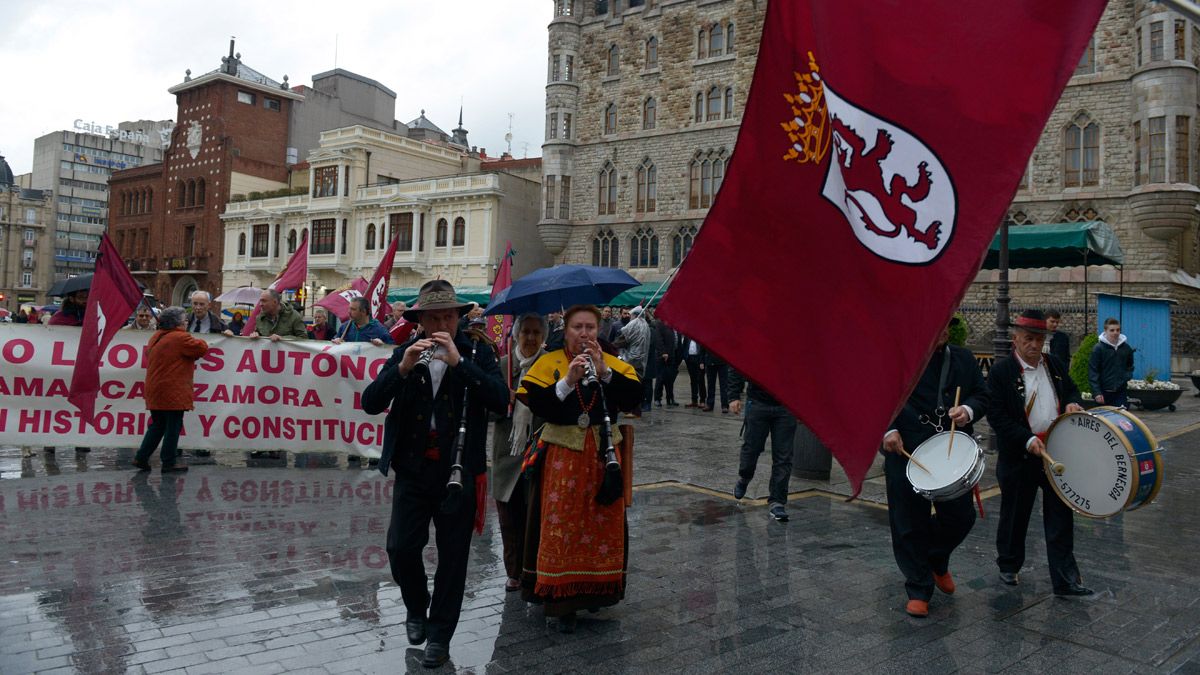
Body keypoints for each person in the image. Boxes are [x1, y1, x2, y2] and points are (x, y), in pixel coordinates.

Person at [361, 280, 508, 669]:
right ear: (422, 321)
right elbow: (371, 403)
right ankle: (415, 605)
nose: (444, 322)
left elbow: (500, 400)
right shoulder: (406, 353)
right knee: (400, 548)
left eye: (450, 315)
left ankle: (440, 635)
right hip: (413, 468)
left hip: (459, 471)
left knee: (454, 558)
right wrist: (403, 368)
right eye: (435, 317)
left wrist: (461, 363)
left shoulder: (478, 351)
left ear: (459, 317)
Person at [517, 305, 642, 633]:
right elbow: (538, 404)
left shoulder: (611, 364)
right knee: (563, 526)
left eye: (590, 327)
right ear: (566, 330)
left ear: (598, 331)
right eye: (577, 327)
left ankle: (595, 591)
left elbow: (633, 399)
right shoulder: (549, 363)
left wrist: (605, 373)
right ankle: (561, 601)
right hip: (563, 457)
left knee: (602, 525)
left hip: (603, 457)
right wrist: (568, 382)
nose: (584, 333)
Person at [881, 319, 990, 617]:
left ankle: (936, 559)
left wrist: (967, 410)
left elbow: (982, 396)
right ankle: (918, 588)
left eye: (946, 323)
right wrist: (886, 431)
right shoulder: (895, 359)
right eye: (936, 321)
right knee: (907, 522)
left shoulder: (964, 359)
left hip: (950, 454)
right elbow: (874, 400)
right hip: (906, 449)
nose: (942, 328)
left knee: (961, 517)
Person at [987, 309, 1091, 596]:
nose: (1034, 345)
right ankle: (1009, 566)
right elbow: (996, 416)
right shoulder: (1001, 372)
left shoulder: (1054, 364)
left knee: (1060, 516)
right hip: (1021, 454)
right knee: (1015, 514)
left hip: (1055, 453)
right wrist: (1026, 439)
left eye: (1039, 339)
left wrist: (1072, 403)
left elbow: (1072, 390)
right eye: (1029, 339)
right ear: (1016, 339)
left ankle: (1065, 579)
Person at [491, 313, 547, 592]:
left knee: (534, 516)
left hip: (538, 451)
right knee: (509, 518)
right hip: (507, 453)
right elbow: (487, 409)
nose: (531, 338)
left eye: (537, 332)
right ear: (516, 334)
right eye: (526, 332)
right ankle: (513, 572)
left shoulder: (551, 365)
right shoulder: (502, 366)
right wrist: (505, 400)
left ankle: (533, 570)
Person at [132, 307, 209, 474]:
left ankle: (141, 457)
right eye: (184, 320)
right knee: (173, 426)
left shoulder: (156, 337)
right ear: (177, 323)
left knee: (158, 425)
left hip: (155, 388)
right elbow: (201, 348)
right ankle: (169, 461)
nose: (187, 322)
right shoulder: (180, 337)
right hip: (173, 389)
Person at [729, 368, 799, 523]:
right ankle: (745, 477)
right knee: (752, 449)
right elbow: (737, 363)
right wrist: (734, 395)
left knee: (784, 456)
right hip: (758, 402)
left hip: (787, 404)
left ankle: (777, 501)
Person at [1088, 317, 1135, 408]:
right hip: (1103, 392)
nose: (1115, 333)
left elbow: (1130, 365)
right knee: (1104, 419)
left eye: (1118, 330)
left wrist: (1126, 377)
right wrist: (1097, 392)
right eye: (1112, 330)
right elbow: (1093, 371)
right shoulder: (1098, 349)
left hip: (1120, 392)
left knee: (1121, 419)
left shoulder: (1126, 348)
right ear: (1105, 331)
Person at [614, 306, 651, 416]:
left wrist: (611, 347)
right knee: (637, 385)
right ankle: (636, 410)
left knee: (627, 385)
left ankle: (628, 409)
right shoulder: (646, 325)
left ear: (634, 314)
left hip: (631, 359)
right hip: (642, 360)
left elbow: (623, 339)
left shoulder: (634, 323)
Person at [235, 289, 308, 340]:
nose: (260, 304)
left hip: (287, 360)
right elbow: (259, 334)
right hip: (268, 359)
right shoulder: (260, 318)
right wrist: (255, 335)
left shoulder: (293, 316)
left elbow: (303, 338)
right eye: (260, 301)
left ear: (275, 302)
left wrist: (283, 339)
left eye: (264, 301)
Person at [654, 319, 682, 407]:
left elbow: (678, 339)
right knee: (660, 378)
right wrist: (663, 352)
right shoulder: (660, 323)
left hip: (673, 355)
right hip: (663, 356)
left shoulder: (675, 324)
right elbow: (659, 339)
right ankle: (657, 399)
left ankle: (670, 398)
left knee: (670, 379)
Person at [702, 349, 730, 413]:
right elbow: (703, 347)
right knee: (710, 385)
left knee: (724, 385)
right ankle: (710, 404)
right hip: (710, 361)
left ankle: (724, 405)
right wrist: (702, 361)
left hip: (723, 361)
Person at [683, 336, 707, 408]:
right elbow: (684, 346)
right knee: (693, 380)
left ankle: (702, 400)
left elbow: (704, 349)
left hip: (699, 359)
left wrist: (702, 361)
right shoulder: (687, 336)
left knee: (700, 380)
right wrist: (685, 357)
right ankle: (694, 400)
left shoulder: (701, 335)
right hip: (690, 359)